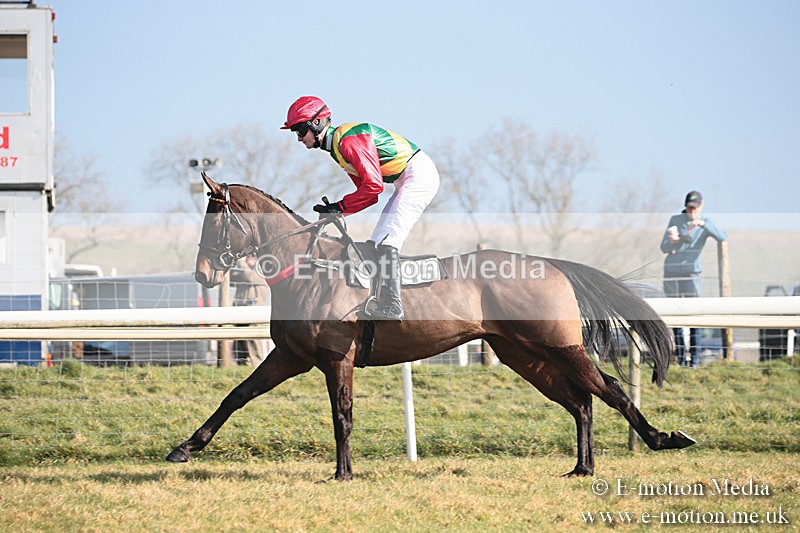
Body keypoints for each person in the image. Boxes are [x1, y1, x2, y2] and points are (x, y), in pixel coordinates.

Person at [281, 95, 440, 321]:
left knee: (388, 240)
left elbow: (373, 187)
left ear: (316, 124)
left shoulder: (347, 141)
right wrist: (338, 210)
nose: (298, 138)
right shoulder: (337, 149)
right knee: (376, 243)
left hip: (418, 175)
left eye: (299, 130)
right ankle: (379, 297)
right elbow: (368, 194)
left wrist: (340, 207)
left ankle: (394, 305)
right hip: (404, 178)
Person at [660, 190, 727, 368]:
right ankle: (682, 359)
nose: (691, 212)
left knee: (694, 316)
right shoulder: (675, 220)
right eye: (689, 208)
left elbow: (722, 237)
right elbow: (663, 247)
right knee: (676, 317)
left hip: (691, 274)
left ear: (701, 207)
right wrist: (673, 241)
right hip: (672, 272)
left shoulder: (705, 223)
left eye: (695, 209)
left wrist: (702, 224)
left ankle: (694, 361)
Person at [231, 254, 268, 366]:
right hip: (240, 308)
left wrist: (241, 263)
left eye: (251, 256)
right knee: (239, 337)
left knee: (253, 337)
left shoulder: (262, 271)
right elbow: (231, 278)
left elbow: (250, 277)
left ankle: (255, 362)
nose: (247, 259)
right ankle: (242, 362)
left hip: (254, 311)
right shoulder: (244, 271)